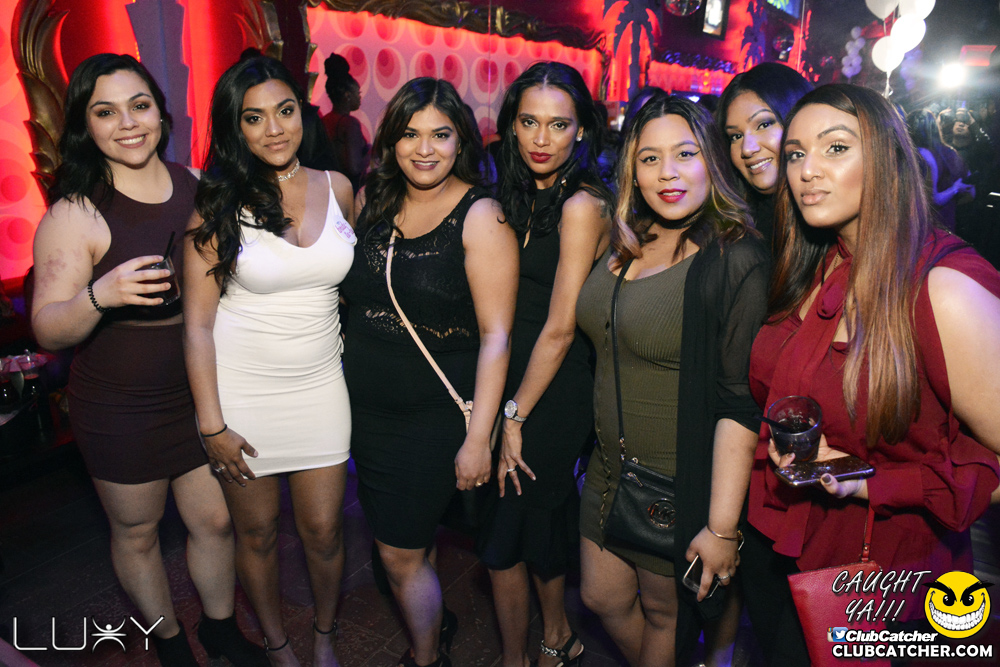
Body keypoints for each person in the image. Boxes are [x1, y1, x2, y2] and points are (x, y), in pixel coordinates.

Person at [748, 84, 1000, 662]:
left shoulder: (944, 290)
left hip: (888, 585)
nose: (807, 170)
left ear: (887, 158)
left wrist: (872, 481)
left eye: (835, 148)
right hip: (791, 551)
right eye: (795, 154)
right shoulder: (819, 263)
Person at [30, 53, 265, 666]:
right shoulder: (76, 212)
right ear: (86, 125)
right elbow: (47, 329)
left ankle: (220, 628)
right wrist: (99, 295)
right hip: (120, 407)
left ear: (161, 111)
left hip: (197, 393)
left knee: (216, 522)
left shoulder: (198, 185)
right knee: (137, 533)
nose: (128, 123)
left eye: (139, 106)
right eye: (105, 112)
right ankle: (169, 643)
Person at [576, 93, 768, 667]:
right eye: (649, 158)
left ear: (712, 159)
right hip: (608, 466)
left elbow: (741, 403)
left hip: (674, 480)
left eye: (685, 153)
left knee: (666, 615)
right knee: (600, 597)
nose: (667, 173)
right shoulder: (628, 234)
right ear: (631, 169)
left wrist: (722, 528)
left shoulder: (735, 257)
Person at [184, 55, 355, 667]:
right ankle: (279, 646)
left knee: (324, 531)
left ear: (302, 113)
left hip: (321, 387)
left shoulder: (339, 187)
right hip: (244, 397)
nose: (275, 129)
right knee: (256, 534)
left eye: (285, 111)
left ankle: (325, 636)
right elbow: (197, 325)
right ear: (236, 127)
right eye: (254, 118)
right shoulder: (216, 205)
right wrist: (212, 426)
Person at [340, 77, 518, 667]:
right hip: (368, 411)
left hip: (433, 417)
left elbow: (496, 337)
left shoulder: (481, 215)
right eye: (410, 134)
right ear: (390, 141)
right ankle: (434, 626)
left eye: (440, 135)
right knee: (412, 540)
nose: (424, 149)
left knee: (396, 552)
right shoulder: (371, 201)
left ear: (460, 141)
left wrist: (478, 438)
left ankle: (424, 657)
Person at [477, 61, 613, 667]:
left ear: (581, 130)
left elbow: (560, 327)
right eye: (529, 122)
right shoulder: (514, 194)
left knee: (520, 518)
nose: (541, 138)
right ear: (511, 125)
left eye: (558, 125)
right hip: (511, 372)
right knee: (522, 523)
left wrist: (514, 415)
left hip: (554, 388)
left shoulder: (582, 204)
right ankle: (552, 639)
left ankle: (545, 642)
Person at [717, 62, 813, 246]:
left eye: (764, 125)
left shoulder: (834, 224)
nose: (747, 148)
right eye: (736, 136)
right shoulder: (734, 230)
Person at [906, 108, 973, 232]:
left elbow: (932, 199)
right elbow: (972, 191)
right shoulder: (949, 152)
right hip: (942, 224)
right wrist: (955, 190)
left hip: (925, 225)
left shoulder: (916, 153)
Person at [322, 53, 369, 192]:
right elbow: (354, 168)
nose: (359, 98)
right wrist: (372, 152)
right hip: (348, 190)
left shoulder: (324, 121)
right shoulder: (349, 124)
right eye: (358, 93)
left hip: (327, 188)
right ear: (348, 95)